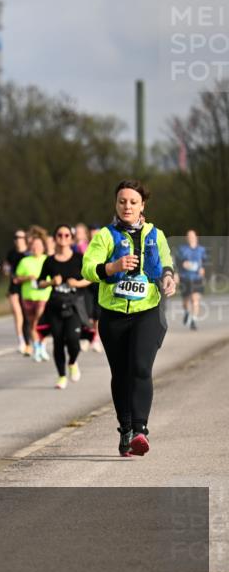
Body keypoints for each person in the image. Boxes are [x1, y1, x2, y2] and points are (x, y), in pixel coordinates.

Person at [82, 179, 176, 457]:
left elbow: (166, 263)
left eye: (133, 202)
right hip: (113, 315)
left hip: (148, 311)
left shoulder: (155, 234)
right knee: (121, 373)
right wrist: (113, 266)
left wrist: (169, 279)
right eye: (122, 201)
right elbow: (87, 268)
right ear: (116, 203)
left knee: (140, 367)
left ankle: (140, 430)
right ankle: (125, 429)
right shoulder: (105, 236)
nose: (127, 206)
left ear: (142, 205)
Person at [39, 225, 91, 389]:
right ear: (54, 238)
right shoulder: (49, 260)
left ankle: (73, 362)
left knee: (73, 340)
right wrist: (50, 282)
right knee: (58, 341)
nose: (63, 238)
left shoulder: (78, 258)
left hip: (74, 305)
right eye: (59, 235)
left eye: (67, 235)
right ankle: (61, 376)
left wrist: (76, 283)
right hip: (55, 305)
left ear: (71, 238)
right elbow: (39, 283)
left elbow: (90, 278)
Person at [14, 228, 51, 361]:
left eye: (39, 246)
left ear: (43, 247)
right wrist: (27, 278)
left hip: (43, 296)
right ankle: (37, 347)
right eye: (34, 246)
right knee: (31, 324)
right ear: (30, 247)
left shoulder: (47, 260)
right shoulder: (25, 261)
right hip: (28, 296)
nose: (36, 248)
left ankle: (41, 346)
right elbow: (16, 279)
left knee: (39, 323)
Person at [4, 229, 29, 353]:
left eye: (21, 237)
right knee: (17, 313)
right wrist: (7, 271)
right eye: (16, 237)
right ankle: (21, 340)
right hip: (14, 286)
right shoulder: (11, 253)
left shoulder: (29, 253)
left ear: (25, 238)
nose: (18, 239)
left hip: (27, 286)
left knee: (26, 315)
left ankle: (29, 339)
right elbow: (6, 266)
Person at [176, 229, 207, 330]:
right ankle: (186, 312)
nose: (191, 238)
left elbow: (204, 262)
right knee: (185, 301)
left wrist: (202, 269)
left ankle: (193, 320)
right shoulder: (182, 249)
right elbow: (178, 263)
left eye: (192, 236)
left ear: (196, 237)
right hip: (185, 277)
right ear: (186, 238)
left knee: (195, 299)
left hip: (197, 278)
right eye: (189, 236)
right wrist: (177, 272)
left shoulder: (201, 250)